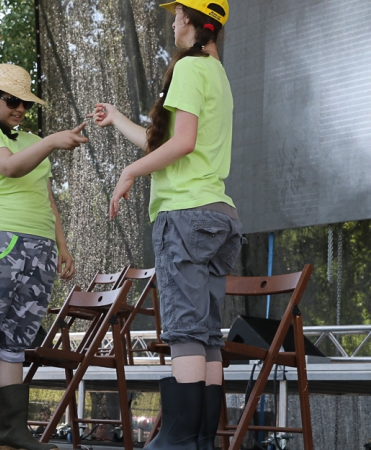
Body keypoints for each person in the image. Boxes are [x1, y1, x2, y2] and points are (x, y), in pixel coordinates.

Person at [89, 1, 240, 449]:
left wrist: (129, 172)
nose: (172, 21)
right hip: (219, 216)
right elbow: (170, 142)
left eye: (177, 15)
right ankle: (200, 441)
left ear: (194, 23)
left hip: (186, 216)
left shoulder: (190, 69)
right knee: (207, 334)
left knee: (185, 332)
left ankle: (176, 439)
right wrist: (117, 119)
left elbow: (184, 143)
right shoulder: (219, 74)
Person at [0, 63, 87, 450]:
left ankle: (11, 430)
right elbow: (8, 168)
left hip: (39, 246)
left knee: (15, 339)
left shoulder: (31, 138)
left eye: (25, 103)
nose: (20, 110)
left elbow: (46, 199)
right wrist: (51, 142)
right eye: (13, 101)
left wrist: (61, 245)